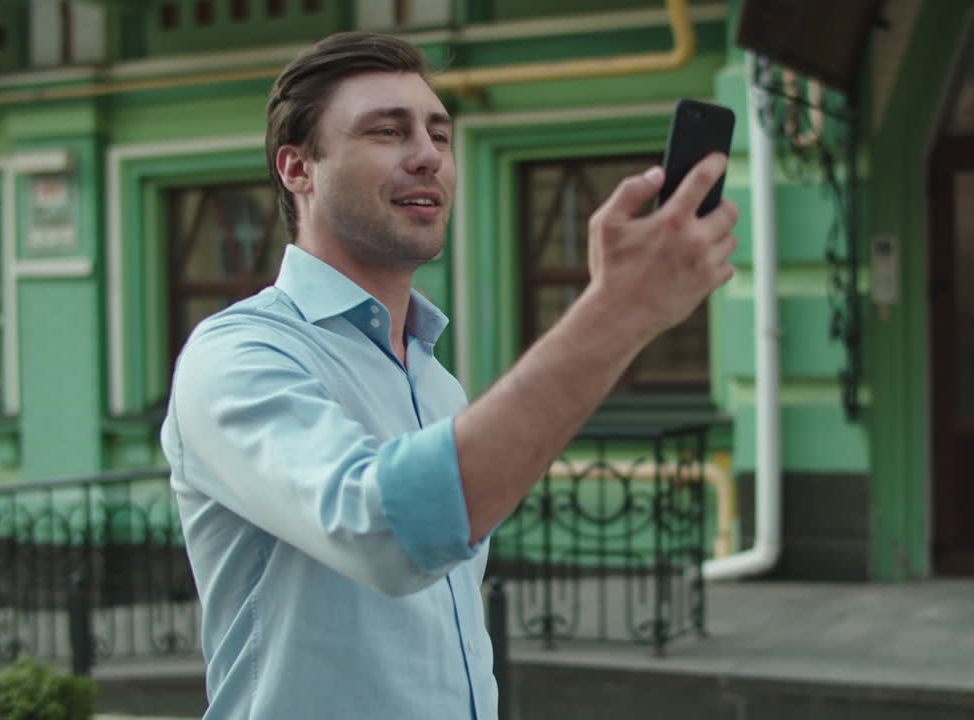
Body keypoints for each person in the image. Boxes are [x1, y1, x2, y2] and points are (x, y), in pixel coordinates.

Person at [161, 31, 737, 720]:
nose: (427, 155)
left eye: (439, 132)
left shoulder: (435, 380)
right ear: (297, 168)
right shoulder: (238, 355)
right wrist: (616, 312)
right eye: (387, 131)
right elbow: (385, 531)